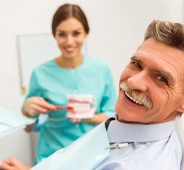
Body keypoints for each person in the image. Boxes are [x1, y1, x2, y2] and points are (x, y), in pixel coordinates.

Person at [0, 20, 184, 170]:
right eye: (136, 64)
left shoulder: (138, 162)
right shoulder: (126, 123)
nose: (133, 81)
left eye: (161, 78)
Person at [21, 3, 117, 164]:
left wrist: (88, 116)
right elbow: (28, 126)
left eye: (76, 33)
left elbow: (114, 117)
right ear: (55, 35)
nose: (69, 41)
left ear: (86, 33)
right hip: (52, 156)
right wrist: (26, 111)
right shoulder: (40, 73)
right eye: (62, 34)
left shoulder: (101, 69)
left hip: (93, 155)